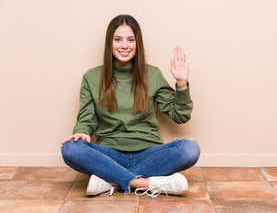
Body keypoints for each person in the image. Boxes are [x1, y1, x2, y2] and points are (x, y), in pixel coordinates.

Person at [60, 14, 200, 198]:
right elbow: (86, 119)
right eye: (118, 39)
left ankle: (111, 179)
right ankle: (145, 183)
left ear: (137, 43)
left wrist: (182, 83)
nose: (124, 45)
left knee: (190, 149)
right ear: (109, 43)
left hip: (149, 153)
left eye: (130, 40)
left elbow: (180, 115)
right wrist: (82, 132)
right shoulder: (92, 77)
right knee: (70, 148)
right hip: (109, 154)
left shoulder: (153, 74)